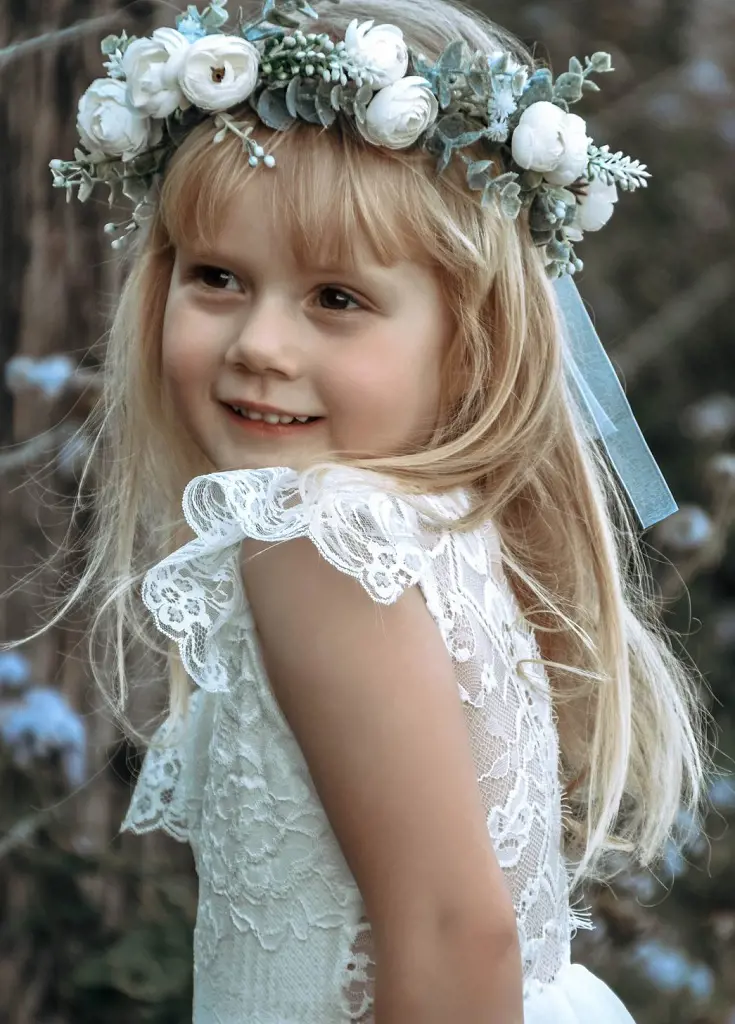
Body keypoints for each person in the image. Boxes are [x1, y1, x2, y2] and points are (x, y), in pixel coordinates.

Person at [5, 0, 712, 1021]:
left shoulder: (318, 543)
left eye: (336, 298)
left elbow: (448, 935)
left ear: (469, 336)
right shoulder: (415, 517)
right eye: (216, 278)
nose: (260, 344)